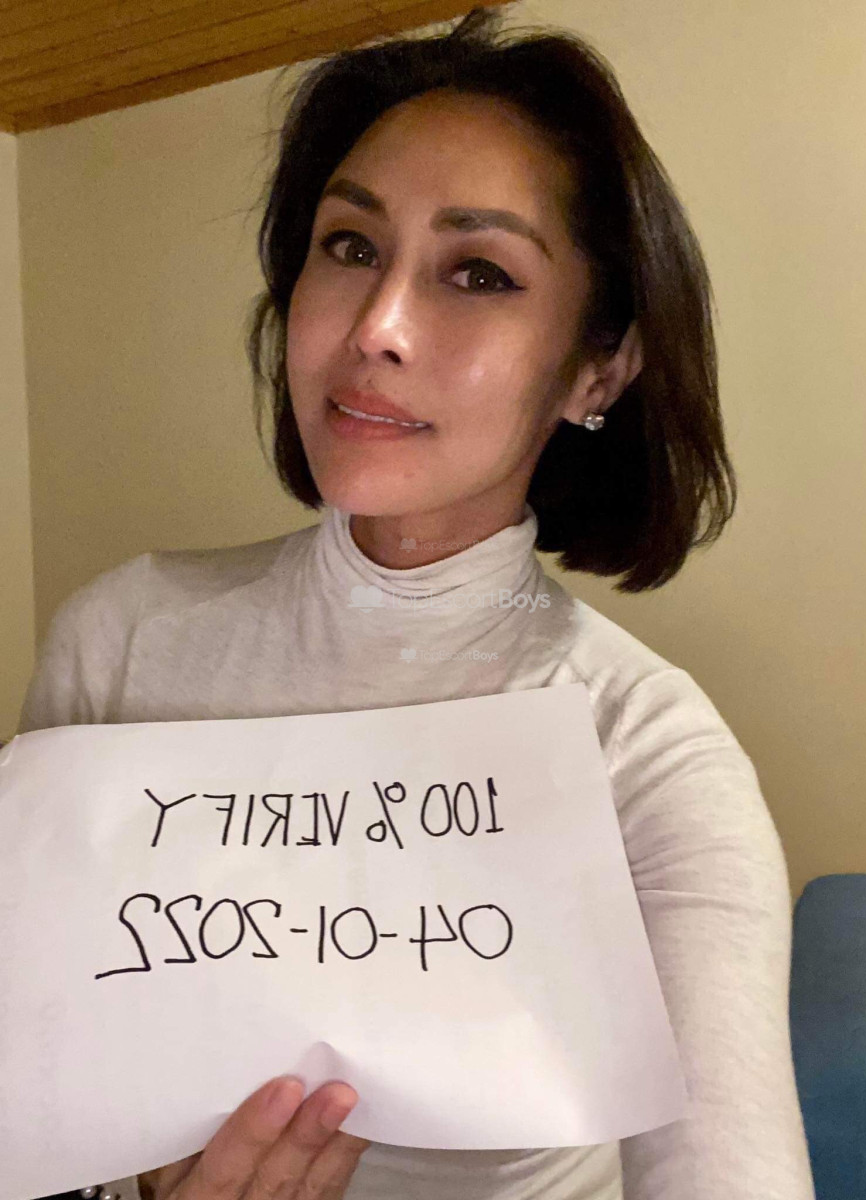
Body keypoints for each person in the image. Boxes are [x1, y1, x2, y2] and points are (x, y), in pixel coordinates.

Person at [18, 7, 816, 1199]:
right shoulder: (119, 642)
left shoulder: (647, 753)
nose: (377, 327)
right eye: (349, 245)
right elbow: (39, 1106)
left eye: (478, 272)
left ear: (598, 366)